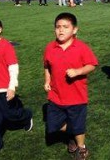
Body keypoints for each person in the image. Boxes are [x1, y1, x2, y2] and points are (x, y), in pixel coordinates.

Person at [43, 13, 98, 160]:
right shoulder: (50, 47)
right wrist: (47, 81)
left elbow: (92, 64)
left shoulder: (81, 47)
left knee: (78, 126)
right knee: (53, 126)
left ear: (74, 30)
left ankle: (81, 148)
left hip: (77, 96)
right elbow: (47, 66)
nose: (61, 30)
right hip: (56, 96)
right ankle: (72, 134)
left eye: (65, 27)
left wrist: (78, 71)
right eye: (58, 27)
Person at [0, 15, 33, 158]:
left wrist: (12, 87)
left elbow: (13, 68)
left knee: (9, 115)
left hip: (3, 88)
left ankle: (26, 116)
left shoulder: (6, 46)